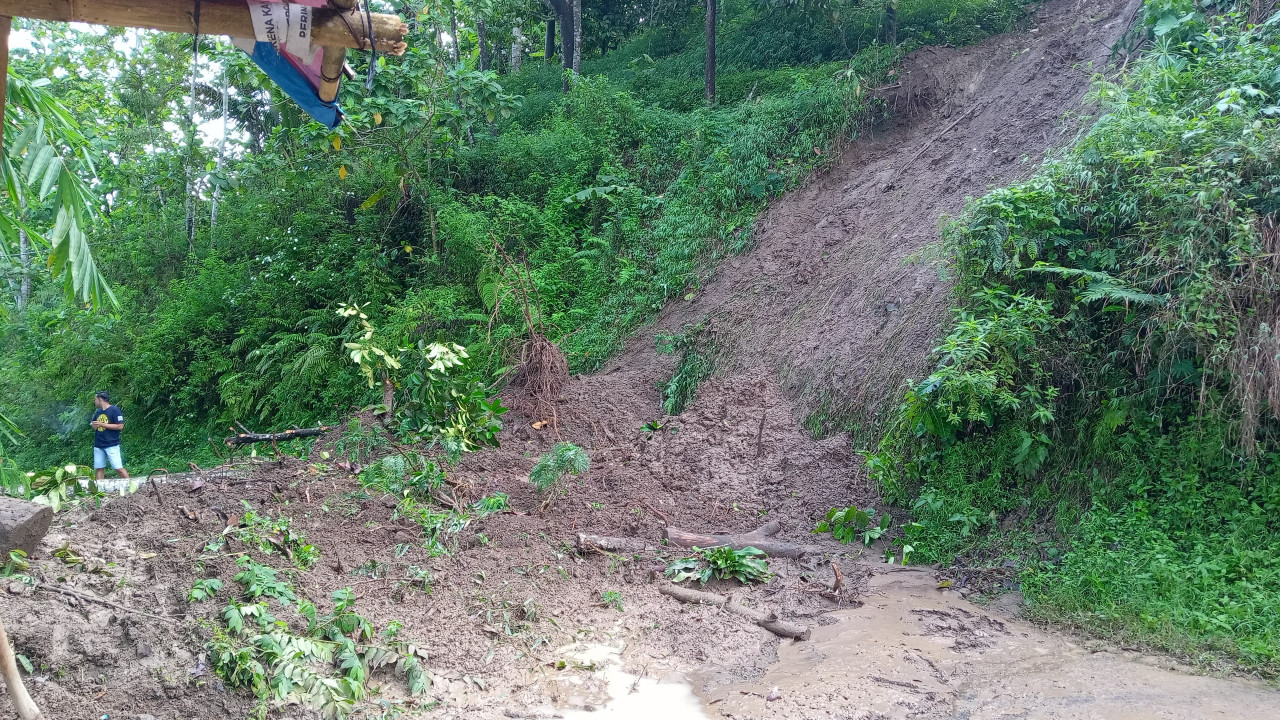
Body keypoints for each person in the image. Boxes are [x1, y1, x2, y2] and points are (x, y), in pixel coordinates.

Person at [89, 391, 129, 481]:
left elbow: (120, 426)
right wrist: (94, 425)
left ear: (100, 399)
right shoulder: (98, 412)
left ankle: (130, 486)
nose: (94, 402)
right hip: (98, 444)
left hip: (111, 444)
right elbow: (95, 426)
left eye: (95, 399)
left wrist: (102, 424)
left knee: (118, 468)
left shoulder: (115, 410)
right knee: (99, 468)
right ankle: (99, 490)